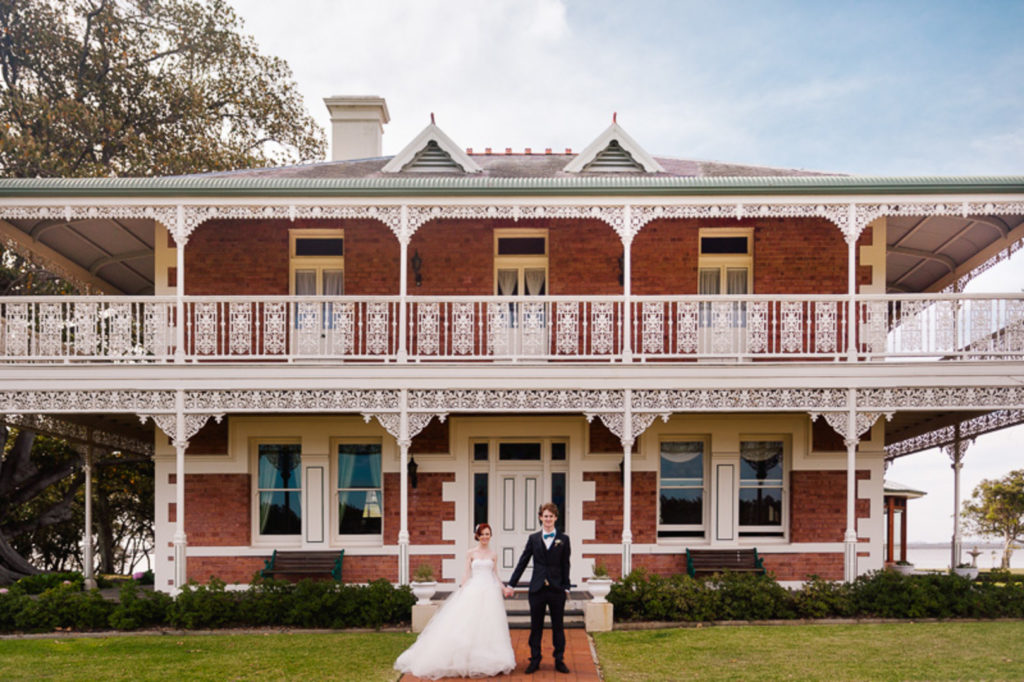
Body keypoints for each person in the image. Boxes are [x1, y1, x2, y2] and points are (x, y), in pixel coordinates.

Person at [394, 523, 516, 679]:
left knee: (489, 626)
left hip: (490, 592)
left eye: (488, 534)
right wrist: (462, 589)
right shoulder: (471, 553)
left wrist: (503, 588)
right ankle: (464, 659)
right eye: (483, 534)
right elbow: (466, 574)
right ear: (477, 535)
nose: (485, 537)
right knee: (469, 624)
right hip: (474, 590)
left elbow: (495, 575)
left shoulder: (493, 554)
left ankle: (491, 659)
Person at [503, 502, 571, 675]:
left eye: (551, 516)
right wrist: (511, 584)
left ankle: (559, 660)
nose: (548, 519)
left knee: (558, 626)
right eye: (545, 516)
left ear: (556, 518)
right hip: (537, 589)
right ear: (540, 518)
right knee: (536, 626)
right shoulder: (533, 539)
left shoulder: (564, 539)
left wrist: (566, 586)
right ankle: (535, 660)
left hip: (557, 589)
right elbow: (523, 561)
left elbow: (566, 564)